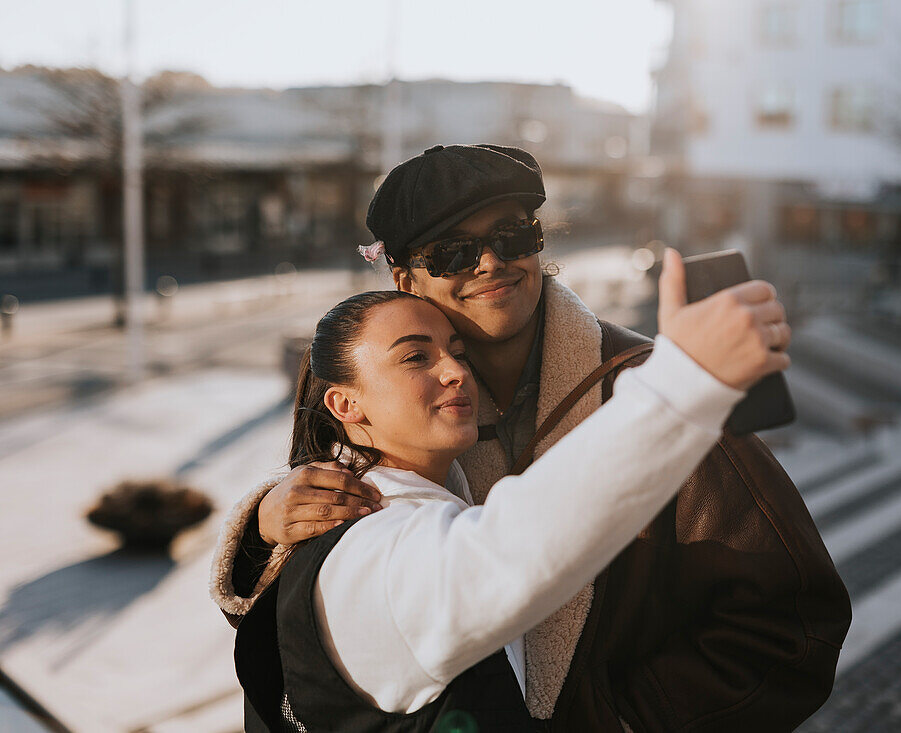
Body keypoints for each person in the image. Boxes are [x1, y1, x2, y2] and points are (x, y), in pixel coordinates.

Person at [212, 144, 852, 732]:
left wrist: (617, 723)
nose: (490, 262)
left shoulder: (651, 391)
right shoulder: (416, 420)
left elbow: (795, 624)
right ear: (405, 279)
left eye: (512, 234)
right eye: (452, 252)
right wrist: (264, 526)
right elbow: (329, 611)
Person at [233, 254, 783, 731]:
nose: (454, 371)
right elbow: (508, 550)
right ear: (345, 406)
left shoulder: (403, 503)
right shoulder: (371, 550)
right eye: (415, 357)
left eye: (457, 350)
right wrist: (686, 383)